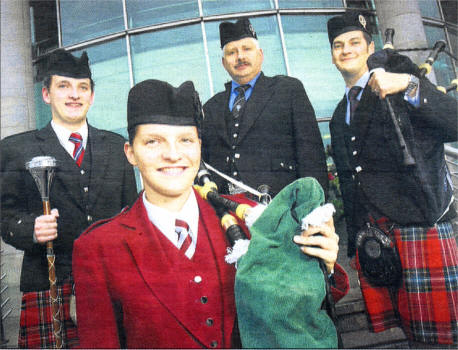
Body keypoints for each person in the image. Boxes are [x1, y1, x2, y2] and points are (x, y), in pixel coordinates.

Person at [73, 79, 348, 348]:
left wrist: (322, 266)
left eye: (185, 140)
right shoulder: (98, 248)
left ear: (199, 148)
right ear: (131, 153)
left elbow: (300, 309)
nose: (173, 154)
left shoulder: (251, 217)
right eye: (153, 142)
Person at [327, 11, 458, 347]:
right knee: (409, 332)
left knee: (438, 340)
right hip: (376, 234)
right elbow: (348, 177)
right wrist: (356, 236)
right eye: (338, 45)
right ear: (331, 55)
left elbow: (453, 122)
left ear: (370, 46)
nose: (346, 50)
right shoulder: (339, 116)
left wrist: (411, 85)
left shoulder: (398, 75)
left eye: (354, 42)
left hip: (418, 223)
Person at [0, 49, 138, 348]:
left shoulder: (118, 148)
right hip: (49, 284)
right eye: (64, 86)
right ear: (46, 94)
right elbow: (5, 216)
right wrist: (30, 229)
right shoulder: (15, 149)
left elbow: (132, 216)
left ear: (91, 97)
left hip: (111, 283)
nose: (74, 95)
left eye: (83, 88)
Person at [202, 18, 328, 197]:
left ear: (260, 55)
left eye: (247, 49)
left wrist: (315, 210)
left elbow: (312, 157)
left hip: (281, 211)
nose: (240, 57)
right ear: (223, 62)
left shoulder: (287, 90)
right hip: (226, 215)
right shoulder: (210, 107)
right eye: (232, 52)